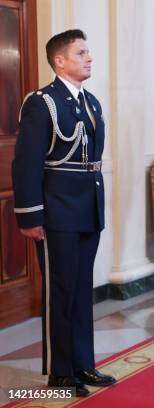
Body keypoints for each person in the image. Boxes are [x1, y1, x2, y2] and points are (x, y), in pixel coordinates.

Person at [12, 29, 116, 397]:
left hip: (87, 207)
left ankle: (83, 364)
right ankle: (59, 372)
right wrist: (30, 216)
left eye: (89, 52)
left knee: (80, 290)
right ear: (60, 60)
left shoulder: (90, 102)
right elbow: (26, 164)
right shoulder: (42, 103)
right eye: (82, 52)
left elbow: (92, 158)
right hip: (56, 211)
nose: (90, 58)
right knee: (61, 290)